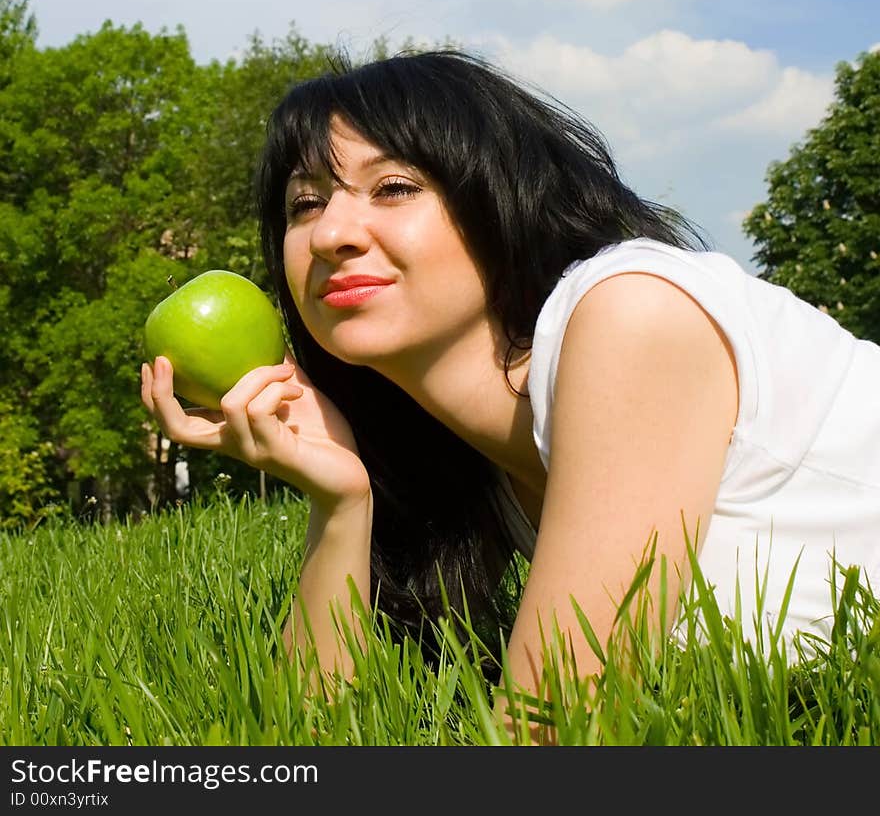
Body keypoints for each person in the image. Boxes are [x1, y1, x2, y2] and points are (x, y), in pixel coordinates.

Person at [141, 46, 880, 742]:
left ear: (495, 202)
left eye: (393, 188)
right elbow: (309, 737)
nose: (333, 231)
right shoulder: (464, 462)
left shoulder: (633, 315)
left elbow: (551, 731)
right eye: (304, 205)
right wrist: (340, 504)